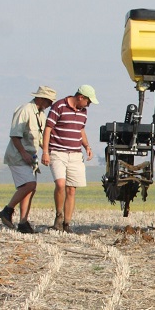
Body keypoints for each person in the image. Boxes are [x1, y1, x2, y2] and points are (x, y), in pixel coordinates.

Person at [0, 86, 56, 233]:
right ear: (41, 98)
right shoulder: (24, 110)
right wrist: (23, 153)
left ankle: (23, 222)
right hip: (18, 156)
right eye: (49, 101)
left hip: (31, 157)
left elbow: (40, 139)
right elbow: (15, 135)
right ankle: (7, 210)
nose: (50, 104)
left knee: (30, 189)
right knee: (29, 185)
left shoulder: (41, 114)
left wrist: (48, 151)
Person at [41, 85, 98, 232]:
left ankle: (67, 223)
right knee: (60, 184)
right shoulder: (59, 106)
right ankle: (58, 216)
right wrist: (45, 152)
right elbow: (48, 128)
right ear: (81, 97)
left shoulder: (83, 112)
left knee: (71, 189)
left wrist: (87, 146)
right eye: (88, 101)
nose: (89, 105)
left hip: (75, 154)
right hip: (58, 152)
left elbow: (80, 129)